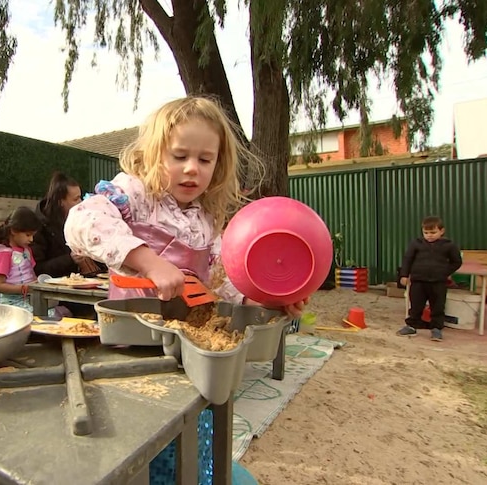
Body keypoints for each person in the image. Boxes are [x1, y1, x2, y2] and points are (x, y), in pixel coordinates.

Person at [64, 95, 306, 484]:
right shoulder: (135, 195)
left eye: (205, 159)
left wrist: (263, 299)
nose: (192, 169)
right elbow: (82, 220)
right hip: (131, 349)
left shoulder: (206, 218)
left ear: (218, 164)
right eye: (179, 156)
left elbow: (219, 283)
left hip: (187, 352)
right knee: (138, 437)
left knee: (191, 430)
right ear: (155, 155)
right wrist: (148, 261)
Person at [0, 206, 70, 318]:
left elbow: (31, 274)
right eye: (28, 235)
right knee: (50, 317)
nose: (31, 239)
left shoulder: (27, 250)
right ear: (14, 231)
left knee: (64, 312)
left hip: (30, 299)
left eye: (33, 235)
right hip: (13, 305)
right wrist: (22, 289)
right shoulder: (5, 253)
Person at [397, 215, 462, 341]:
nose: (429, 235)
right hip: (418, 281)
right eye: (426, 232)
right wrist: (404, 275)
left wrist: (444, 272)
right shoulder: (416, 244)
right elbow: (407, 259)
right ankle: (411, 326)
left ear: (441, 231)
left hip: (438, 282)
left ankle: (436, 329)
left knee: (437, 306)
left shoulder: (449, 245)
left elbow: (456, 262)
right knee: (416, 305)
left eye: (433, 232)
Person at [31, 171, 104, 277]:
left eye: (81, 197)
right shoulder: (39, 227)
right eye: (75, 199)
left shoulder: (83, 220)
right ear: (60, 202)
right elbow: (37, 268)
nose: (81, 202)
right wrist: (70, 259)